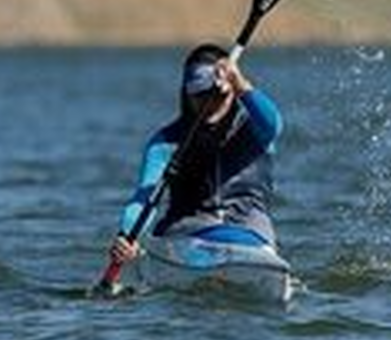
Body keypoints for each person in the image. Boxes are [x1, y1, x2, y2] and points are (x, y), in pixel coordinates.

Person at [108, 43, 283, 269]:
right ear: (186, 93)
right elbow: (145, 199)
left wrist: (240, 82)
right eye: (200, 95)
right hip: (186, 235)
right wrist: (127, 236)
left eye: (217, 94)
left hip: (250, 235)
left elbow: (274, 125)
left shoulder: (257, 129)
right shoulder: (166, 143)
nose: (209, 103)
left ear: (232, 90)